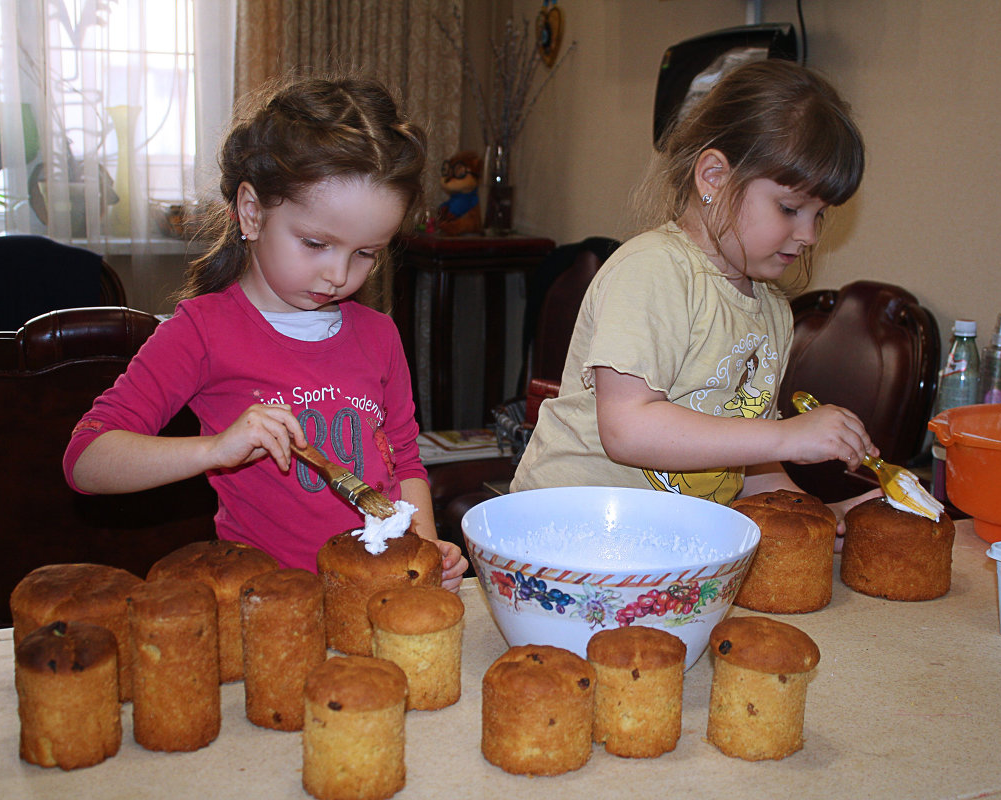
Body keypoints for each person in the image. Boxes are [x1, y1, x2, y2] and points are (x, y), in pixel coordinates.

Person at [65, 74, 468, 590]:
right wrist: (214, 450)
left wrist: (424, 556)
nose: (339, 275)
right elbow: (86, 461)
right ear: (251, 212)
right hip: (270, 608)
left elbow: (405, 462)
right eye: (316, 243)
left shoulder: (380, 335)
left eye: (365, 253)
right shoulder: (203, 332)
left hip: (376, 597)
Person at [511, 59, 879, 530]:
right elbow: (627, 428)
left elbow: (748, 468)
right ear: (713, 177)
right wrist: (785, 436)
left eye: (820, 214)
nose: (808, 234)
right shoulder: (653, 270)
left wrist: (820, 519)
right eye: (790, 208)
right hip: (568, 528)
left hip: (664, 546)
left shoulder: (772, 314)